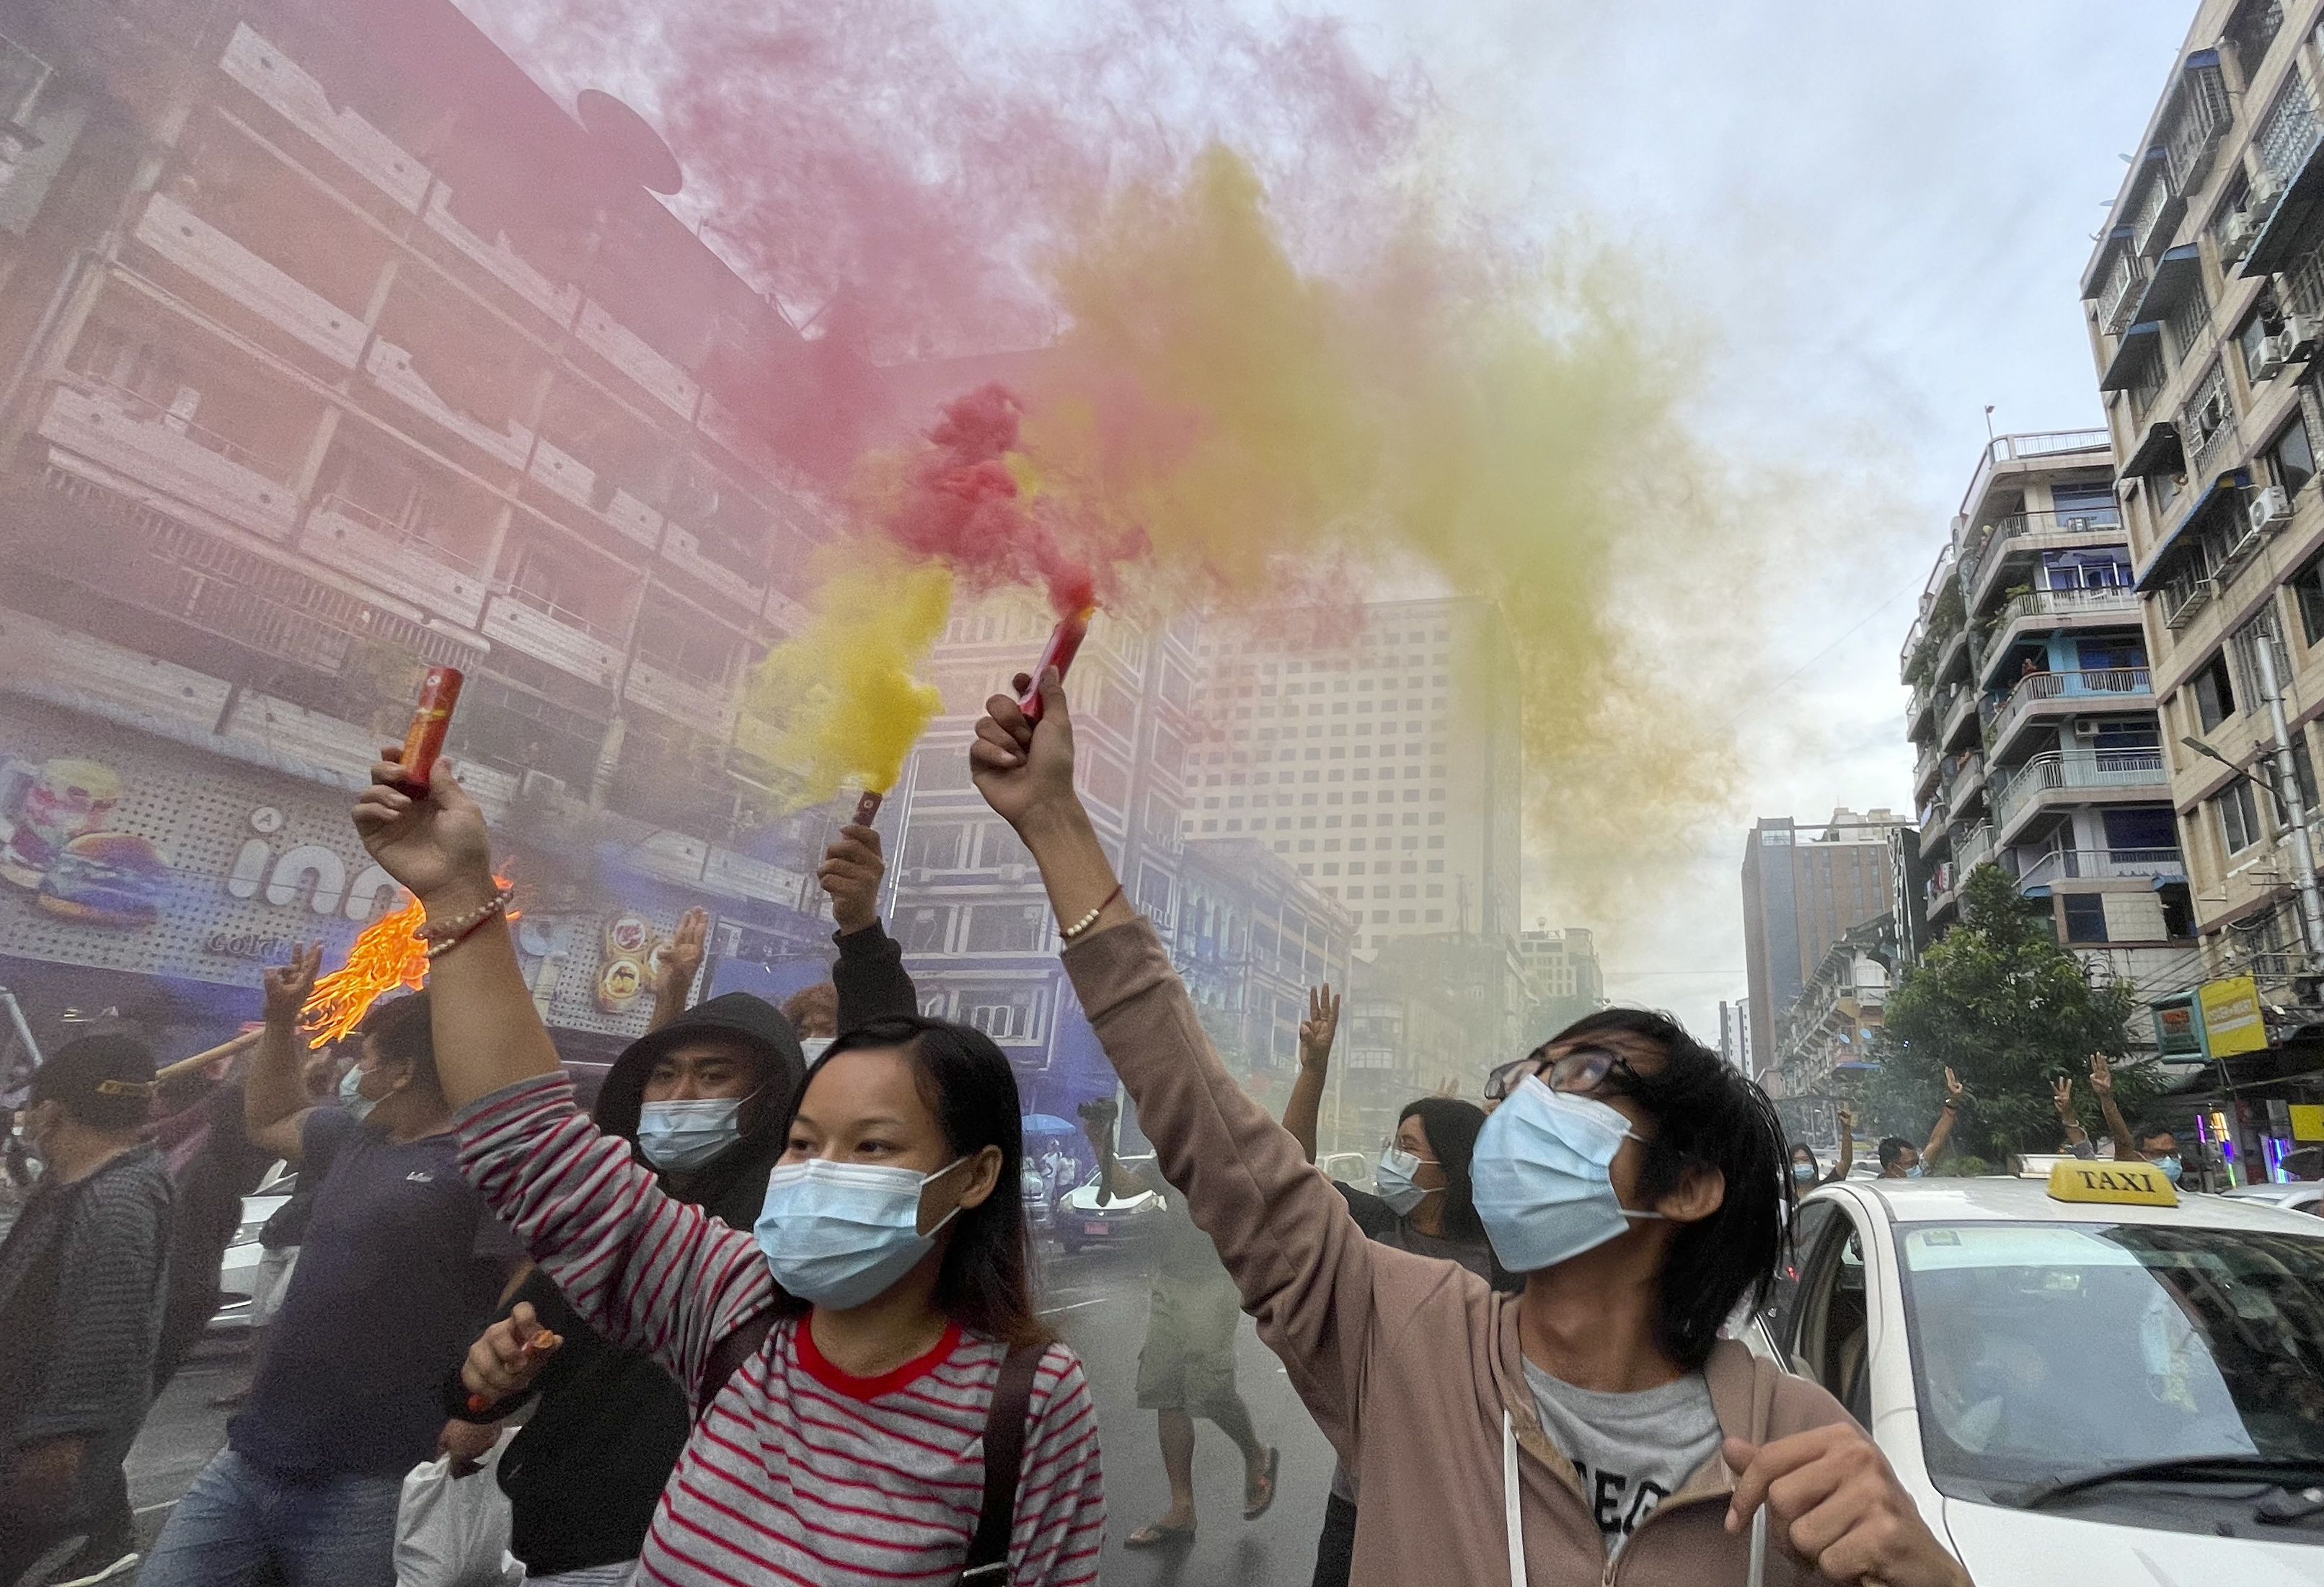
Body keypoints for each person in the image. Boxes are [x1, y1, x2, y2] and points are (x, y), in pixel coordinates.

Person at [970, 671, 1970, 1586]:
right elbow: (1213, 1133)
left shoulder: (1800, 1442)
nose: (1524, 1103)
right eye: (1519, 1078)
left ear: (1687, 1184)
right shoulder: (1402, 1337)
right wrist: (1058, 823)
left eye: (1577, 1075)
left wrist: (1929, 1576)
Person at [349, 753, 1104, 1584]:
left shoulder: (1028, 1396)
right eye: (804, 1141)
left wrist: (860, 928)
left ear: (974, 1173)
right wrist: (458, 895)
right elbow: (534, 1143)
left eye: (873, 1146)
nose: (823, 1171)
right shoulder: (726, 1298)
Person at [441, 826, 919, 1587]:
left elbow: (892, 1071)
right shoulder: (616, 1213)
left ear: (770, 1094)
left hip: (706, 1550)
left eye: (711, 1075)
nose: (678, 1098)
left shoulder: (789, 1212)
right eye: (662, 1078)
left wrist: (860, 930)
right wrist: (488, 1378)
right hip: (555, 1549)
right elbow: (496, 1369)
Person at [140, 952, 526, 1587]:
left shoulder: (483, 1168)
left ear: (402, 1072)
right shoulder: (353, 1138)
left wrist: (481, 1406)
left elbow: (527, 1293)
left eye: (366, 1057)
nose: (354, 1070)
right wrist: (282, 1018)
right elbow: (267, 1118)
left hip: (374, 1474)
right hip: (255, 1451)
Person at [1280, 982, 1515, 1587]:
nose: (1392, 1157)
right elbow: (1291, 1170)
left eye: (1407, 1147)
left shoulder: (1504, 1255)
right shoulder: (1374, 1222)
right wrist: (1314, 1068)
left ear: (1450, 1167)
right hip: (1358, 1498)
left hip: (1463, 1502)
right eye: (1393, 1143)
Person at [0, 1035, 171, 1587]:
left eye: (31, 1105)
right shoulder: (69, 1183)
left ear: (50, 1111)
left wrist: (60, 1443)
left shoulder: (117, 1198)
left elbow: (106, 1334)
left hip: (38, 1462)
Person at [1079, 1092, 1276, 1548]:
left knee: (1210, 1391)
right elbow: (1126, 1187)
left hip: (1214, 1282)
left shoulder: (1232, 1152)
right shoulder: (1171, 1154)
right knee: (1166, 1389)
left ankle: (1256, 1453)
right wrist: (1098, 1141)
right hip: (1171, 1281)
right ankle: (1182, 1508)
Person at [2085, 1051, 2178, 1177]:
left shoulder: (2190, 1196)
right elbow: (2123, 1141)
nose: (2168, 1161)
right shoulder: (2128, 1185)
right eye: (2159, 1155)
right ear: (2137, 1156)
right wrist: (2106, 1097)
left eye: (2172, 1154)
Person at [1877, 1068, 1963, 1179]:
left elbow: (1937, 1139)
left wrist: (1954, 1099)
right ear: (1893, 1167)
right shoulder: (1876, 1192)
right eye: (1911, 1164)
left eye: (1916, 1162)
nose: (1918, 1168)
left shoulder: (1922, 1170)